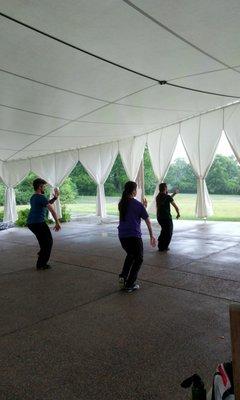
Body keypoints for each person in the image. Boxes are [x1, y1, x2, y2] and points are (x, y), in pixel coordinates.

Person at [118, 181, 156, 293]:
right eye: (136, 189)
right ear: (134, 191)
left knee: (131, 255)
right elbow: (147, 220)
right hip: (134, 236)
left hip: (122, 236)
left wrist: (143, 207)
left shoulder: (122, 203)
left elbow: (133, 213)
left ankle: (123, 277)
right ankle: (130, 284)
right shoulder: (137, 204)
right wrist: (151, 235)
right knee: (139, 258)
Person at [27, 178, 61, 270]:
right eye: (44, 187)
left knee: (44, 242)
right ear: (40, 187)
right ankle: (41, 264)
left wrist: (54, 198)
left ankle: (41, 254)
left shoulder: (34, 197)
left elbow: (46, 203)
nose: (44, 188)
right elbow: (52, 211)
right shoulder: (41, 197)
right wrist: (57, 223)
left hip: (31, 223)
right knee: (48, 242)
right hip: (38, 223)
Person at [156, 183, 180, 252]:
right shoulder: (167, 197)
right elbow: (176, 207)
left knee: (164, 231)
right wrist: (178, 214)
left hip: (159, 217)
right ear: (165, 188)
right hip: (166, 218)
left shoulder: (158, 196)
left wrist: (174, 194)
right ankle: (165, 247)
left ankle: (160, 246)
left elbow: (167, 198)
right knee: (169, 232)